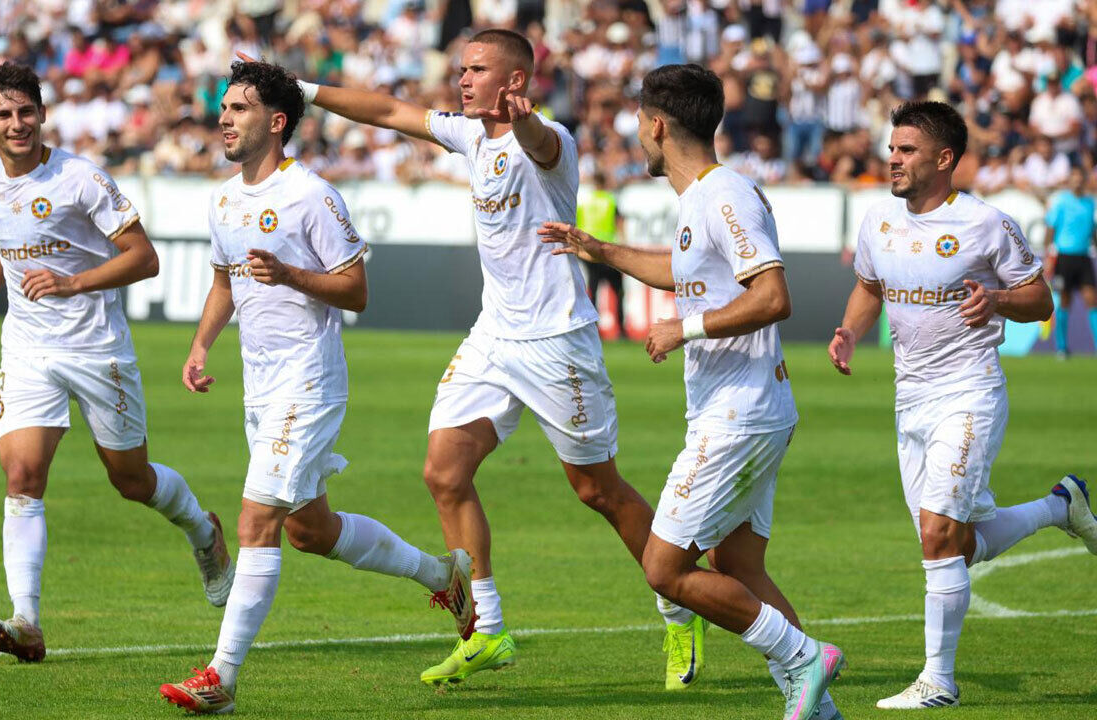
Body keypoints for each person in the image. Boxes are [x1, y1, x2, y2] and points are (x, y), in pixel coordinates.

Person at [242, 29, 710, 689]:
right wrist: (299, 89)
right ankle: (487, 629)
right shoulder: (468, 134)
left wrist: (527, 130)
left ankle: (676, 605)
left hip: (557, 342)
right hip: (494, 335)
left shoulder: (550, 141)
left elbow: (542, 146)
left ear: (514, 82)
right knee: (443, 472)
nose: (462, 79)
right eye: (461, 68)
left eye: (477, 69)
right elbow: (386, 112)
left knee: (597, 489)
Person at [157, 60, 474, 715]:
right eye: (223, 106)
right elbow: (224, 281)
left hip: (309, 376)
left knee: (256, 519)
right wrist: (200, 345)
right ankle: (443, 575)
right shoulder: (222, 199)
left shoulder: (312, 196)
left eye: (239, 108)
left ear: (276, 123)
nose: (223, 118)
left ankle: (221, 676)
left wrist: (291, 276)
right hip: (259, 382)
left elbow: (355, 288)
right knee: (310, 530)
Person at [540, 63, 846, 720]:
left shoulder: (725, 195)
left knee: (665, 569)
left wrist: (687, 328)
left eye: (639, 122)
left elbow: (773, 297)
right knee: (741, 567)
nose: (636, 134)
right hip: (745, 407)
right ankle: (817, 708)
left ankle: (803, 657)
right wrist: (595, 248)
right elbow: (682, 270)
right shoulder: (702, 199)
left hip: (739, 414)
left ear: (656, 125)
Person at [0, 62, 234, 663]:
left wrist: (74, 284)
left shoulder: (80, 179)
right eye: (4, 114)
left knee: (131, 480)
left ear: (43, 114)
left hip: (97, 347)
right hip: (27, 347)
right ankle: (27, 619)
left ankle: (205, 532)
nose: (17, 124)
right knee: (22, 476)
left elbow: (144, 258)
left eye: (26, 111)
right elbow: (5, 238)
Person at [828, 100, 1097, 710]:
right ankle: (1060, 506)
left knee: (936, 536)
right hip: (911, 401)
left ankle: (938, 681)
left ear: (944, 159)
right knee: (955, 544)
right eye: (892, 148)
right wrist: (850, 329)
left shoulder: (985, 223)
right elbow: (868, 288)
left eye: (906, 151)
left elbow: (1040, 301)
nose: (892, 159)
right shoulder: (878, 219)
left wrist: (998, 301)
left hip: (969, 391)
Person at [1045, 166, 1097, 356]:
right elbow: (1050, 229)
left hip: (1084, 258)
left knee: (1093, 300)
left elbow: (1094, 232)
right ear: (1069, 180)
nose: (1077, 181)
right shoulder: (1061, 202)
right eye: (1074, 177)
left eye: (1080, 178)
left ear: (1084, 180)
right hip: (1064, 257)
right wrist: (1049, 256)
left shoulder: (1090, 203)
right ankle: (1062, 347)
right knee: (1064, 301)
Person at [577, 167, 626, 337]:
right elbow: (620, 223)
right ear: (604, 183)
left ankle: (594, 328)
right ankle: (621, 329)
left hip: (590, 251)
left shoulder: (585, 202)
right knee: (618, 290)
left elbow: (577, 226)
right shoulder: (610, 200)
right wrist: (623, 246)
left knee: (594, 289)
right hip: (608, 250)